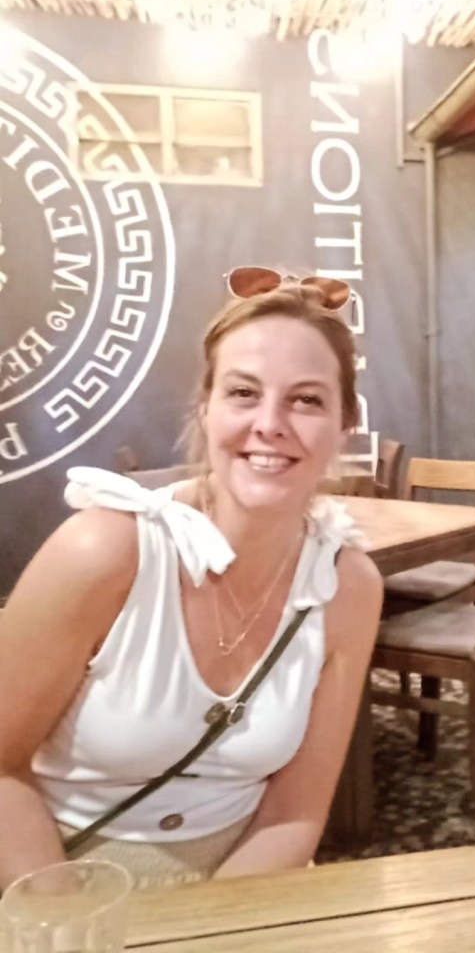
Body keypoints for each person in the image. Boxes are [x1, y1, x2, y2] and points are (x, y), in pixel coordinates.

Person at [0, 273, 383, 889]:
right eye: (243, 393)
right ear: (206, 408)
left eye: (307, 400)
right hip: (58, 876)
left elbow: (296, 812)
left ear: (345, 423)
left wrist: (212, 925)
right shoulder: (104, 551)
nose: (270, 423)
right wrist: (69, 921)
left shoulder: (350, 586)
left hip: (243, 883)